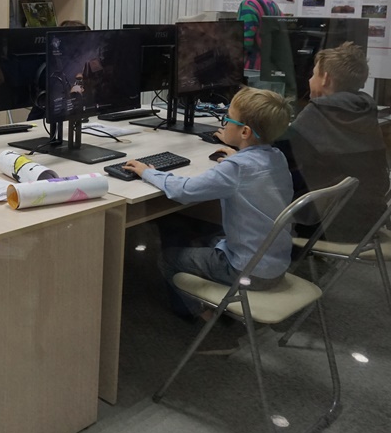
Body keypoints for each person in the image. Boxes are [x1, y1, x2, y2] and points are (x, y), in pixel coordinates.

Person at [123, 87, 294, 351]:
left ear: (244, 132)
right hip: (276, 263)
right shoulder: (276, 157)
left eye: (227, 119)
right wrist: (237, 155)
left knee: (167, 258)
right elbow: (248, 168)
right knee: (202, 233)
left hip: (246, 270)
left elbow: (184, 191)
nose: (223, 124)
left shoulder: (236, 169)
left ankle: (204, 319)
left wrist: (147, 171)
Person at [277, 42, 389, 244]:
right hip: (368, 215)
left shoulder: (319, 112)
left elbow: (276, 154)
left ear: (325, 79)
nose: (309, 80)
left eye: (313, 74)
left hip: (327, 224)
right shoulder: (364, 109)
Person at [236, 0, 282, 70]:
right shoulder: (273, 5)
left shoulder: (248, 5)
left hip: (252, 68)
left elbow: (244, 42)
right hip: (270, 66)